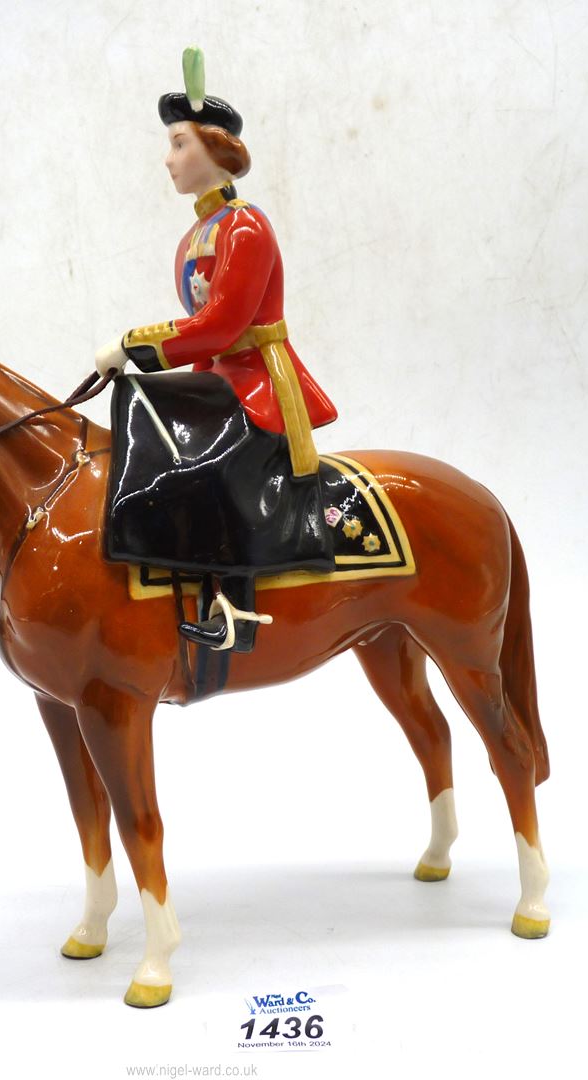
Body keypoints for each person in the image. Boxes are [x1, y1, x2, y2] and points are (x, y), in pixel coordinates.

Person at [95, 49, 338, 653]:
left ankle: (235, 603)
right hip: (216, 376)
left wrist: (132, 345)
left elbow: (223, 326)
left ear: (214, 147)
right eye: (171, 145)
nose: (169, 158)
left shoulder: (246, 228)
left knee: (219, 467)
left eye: (179, 143)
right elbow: (201, 330)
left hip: (258, 380)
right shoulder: (195, 235)